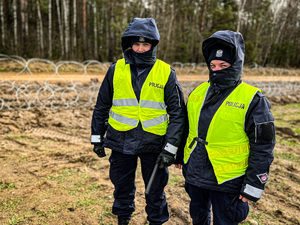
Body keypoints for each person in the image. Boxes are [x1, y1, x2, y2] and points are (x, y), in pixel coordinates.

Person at [91, 18, 186, 225]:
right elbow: (101, 106)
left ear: (153, 45)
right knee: (122, 188)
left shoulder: (166, 72)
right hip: (120, 140)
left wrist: (170, 149)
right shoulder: (115, 70)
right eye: (136, 44)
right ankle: (123, 220)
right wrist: (97, 138)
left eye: (145, 44)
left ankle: (156, 222)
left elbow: (178, 114)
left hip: (154, 144)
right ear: (129, 44)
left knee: (155, 191)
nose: (140, 49)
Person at [177, 30, 275, 225]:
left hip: (228, 180)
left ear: (236, 65)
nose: (217, 70)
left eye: (224, 65)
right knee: (198, 217)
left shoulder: (253, 99)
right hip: (195, 173)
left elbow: (263, 146)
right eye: (213, 65)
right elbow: (187, 128)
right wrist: (180, 155)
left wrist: (254, 184)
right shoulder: (198, 91)